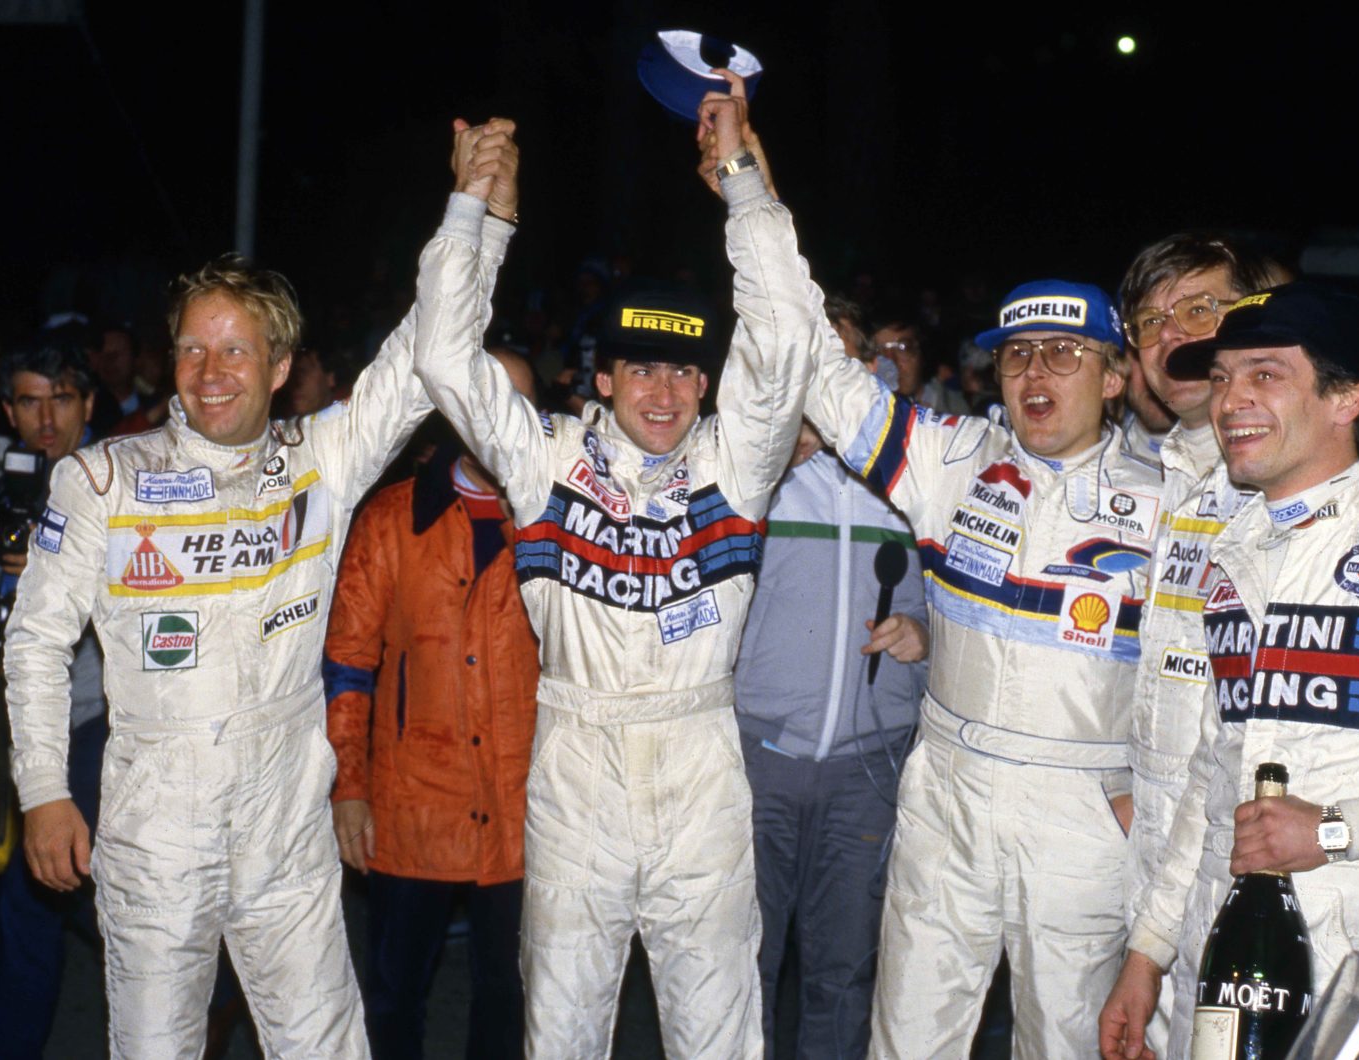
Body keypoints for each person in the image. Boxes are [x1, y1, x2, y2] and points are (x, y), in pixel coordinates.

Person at [0, 145, 517, 1057]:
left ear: (278, 366)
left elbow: (424, 349)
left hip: (286, 823)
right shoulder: (103, 479)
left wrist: (479, 214)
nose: (211, 370)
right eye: (193, 348)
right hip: (157, 826)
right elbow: (36, 643)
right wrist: (43, 790)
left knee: (325, 1045)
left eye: (235, 348)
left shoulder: (322, 459)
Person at [413, 81, 821, 1057]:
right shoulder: (544, 460)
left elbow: (787, 333)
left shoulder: (735, 462)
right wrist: (477, 217)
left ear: (706, 383)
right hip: (577, 761)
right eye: (640, 367)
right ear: (602, 378)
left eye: (682, 370)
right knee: (559, 1027)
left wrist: (742, 180)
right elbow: (443, 358)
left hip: (698, 761)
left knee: (719, 1031)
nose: (663, 390)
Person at [797, 272, 1165, 1056]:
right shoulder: (953, 457)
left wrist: (1154, 805)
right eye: (1017, 354)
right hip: (948, 794)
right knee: (908, 1039)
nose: (1035, 371)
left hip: (1083, 813)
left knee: (1067, 1045)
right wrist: (755, 217)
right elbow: (824, 376)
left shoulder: (1170, 502)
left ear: (1114, 377)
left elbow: (1201, 690)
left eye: (1064, 352)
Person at [1100, 282, 1359, 1059]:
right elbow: (1211, 775)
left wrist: (1339, 828)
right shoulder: (1234, 552)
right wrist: (1148, 953)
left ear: (1347, 396)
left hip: (1355, 960)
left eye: (1265, 374)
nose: (1231, 401)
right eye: (1221, 378)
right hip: (1214, 949)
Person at [324, 347, 541, 1059]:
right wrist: (349, 787)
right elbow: (348, 664)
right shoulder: (392, 518)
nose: (498, 417)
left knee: (511, 997)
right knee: (393, 995)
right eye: (485, 396)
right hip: (411, 802)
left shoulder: (558, 523)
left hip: (524, 806)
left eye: (517, 402)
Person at [1115, 232, 1289, 1053]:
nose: (1173, 335)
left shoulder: (1282, 478)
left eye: (1199, 309)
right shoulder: (1154, 474)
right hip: (1153, 851)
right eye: (1150, 322)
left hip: (1248, 854)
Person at [734, 415, 929, 1058]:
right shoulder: (753, 471)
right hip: (757, 761)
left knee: (846, 974)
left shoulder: (916, 479)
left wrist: (925, 635)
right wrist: (776, 450)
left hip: (866, 772)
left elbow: (961, 603)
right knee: (740, 967)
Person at [0, 340, 102, 1060]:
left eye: (61, 399)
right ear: (8, 410)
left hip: (100, 726)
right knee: (54, 898)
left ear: (88, 403)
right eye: (30, 401)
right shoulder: (7, 493)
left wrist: (57, 568)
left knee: (34, 897)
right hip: (29, 728)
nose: (46, 419)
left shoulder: (120, 485)